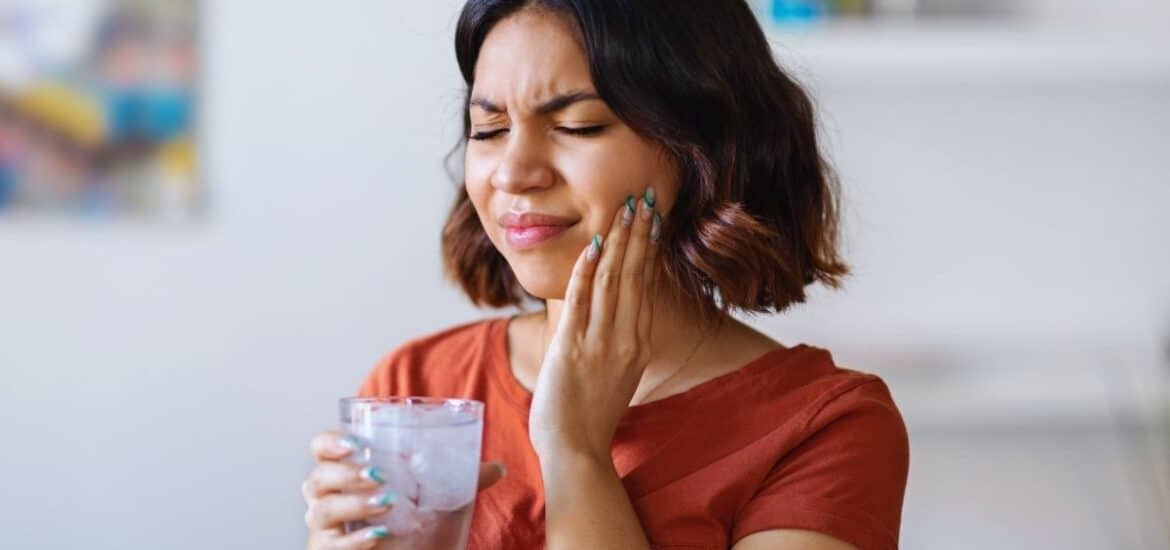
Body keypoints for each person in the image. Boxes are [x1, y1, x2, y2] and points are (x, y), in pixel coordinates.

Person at [303, 1, 909, 548]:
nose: (513, 173)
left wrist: (575, 451)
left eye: (579, 126)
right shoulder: (416, 384)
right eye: (489, 130)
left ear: (704, 148)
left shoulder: (826, 427)